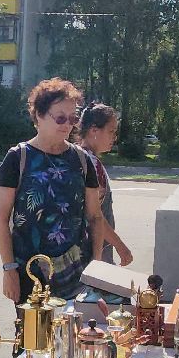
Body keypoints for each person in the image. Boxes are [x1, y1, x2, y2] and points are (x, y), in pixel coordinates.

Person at [0, 78, 128, 325]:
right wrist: (8, 268)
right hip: (30, 274)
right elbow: (1, 219)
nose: (68, 125)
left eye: (73, 118)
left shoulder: (82, 160)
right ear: (39, 116)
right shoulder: (18, 158)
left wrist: (95, 266)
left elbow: (95, 217)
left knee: (74, 342)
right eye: (60, 118)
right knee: (32, 344)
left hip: (76, 273)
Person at [73, 103, 134, 267]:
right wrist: (121, 246)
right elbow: (95, 215)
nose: (114, 137)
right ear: (93, 130)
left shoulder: (82, 158)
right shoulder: (91, 164)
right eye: (111, 131)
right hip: (95, 251)